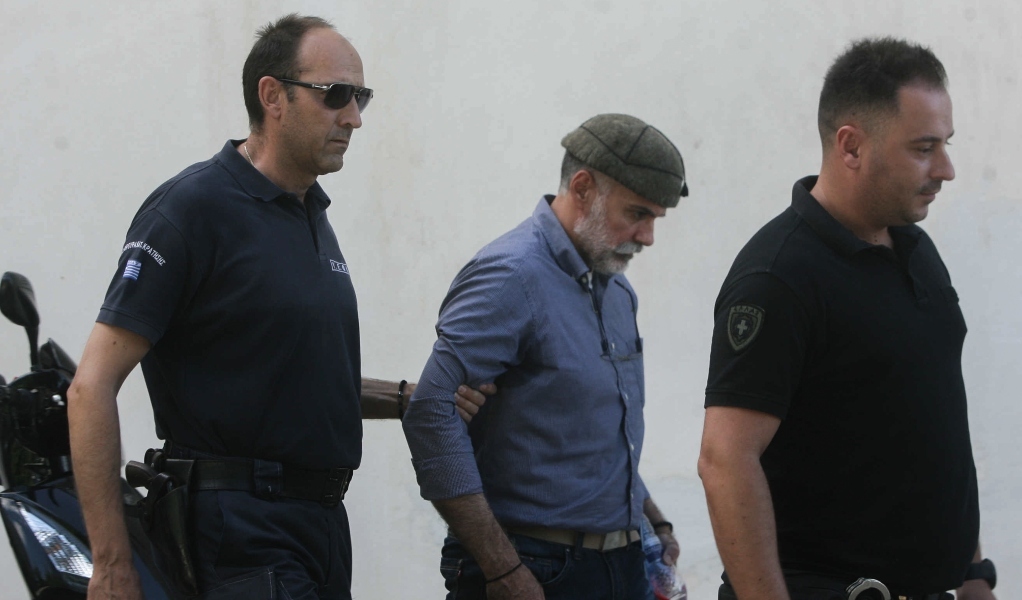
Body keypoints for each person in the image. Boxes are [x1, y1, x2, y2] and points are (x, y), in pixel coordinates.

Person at [67, 14, 488, 600]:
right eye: (334, 94)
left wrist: (405, 398)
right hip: (239, 531)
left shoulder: (310, 212)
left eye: (361, 96)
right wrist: (112, 564)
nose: (354, 117)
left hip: (319, 526)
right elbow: (90, 387)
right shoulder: (191, 209)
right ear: (273, 96)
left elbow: (289, 379)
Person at [697, 38, 997, 600]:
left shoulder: (916, 249)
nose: (947, 169)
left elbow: (935, 424)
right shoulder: (778, 277)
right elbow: (725, 460)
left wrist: (973, 573)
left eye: (946, 144)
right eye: (924, 148)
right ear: (851, 146)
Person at [402, 113, 687, 600]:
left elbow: (591, 434)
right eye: (637, 213)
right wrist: (502, 570)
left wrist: (654, 522)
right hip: (532, 566)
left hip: (621, 566)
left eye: (655, 219)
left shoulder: (617, 292)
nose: (647, 237)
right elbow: (432, 412)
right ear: (582, 188)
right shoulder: (510, 275)